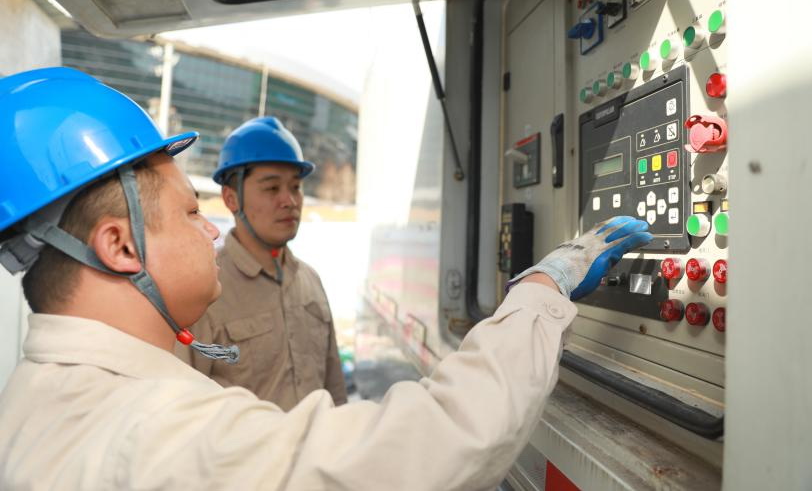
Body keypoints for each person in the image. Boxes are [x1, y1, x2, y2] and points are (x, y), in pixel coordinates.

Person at [0, 67, 652, 489]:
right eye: (191, 212)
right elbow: (433, 444)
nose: (208, 233)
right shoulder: (153, 432)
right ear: (119, 246)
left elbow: (333, 404)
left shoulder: (44, 404)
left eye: (296, 187)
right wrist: (541, 289)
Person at [175, 117, 347, 409]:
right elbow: (185, 407)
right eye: (272, 188)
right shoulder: (203, 291)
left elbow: (335, 390)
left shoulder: (311, 281)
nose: (289, 201)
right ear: (232, 199)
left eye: (295, 187)